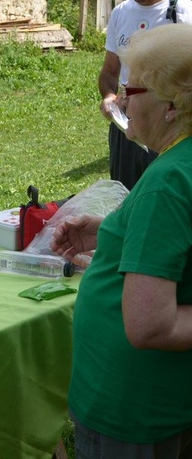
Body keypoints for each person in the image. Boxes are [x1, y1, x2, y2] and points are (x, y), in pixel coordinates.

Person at [52, 24, 192, 458]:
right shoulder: (182, 163)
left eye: (132, 89)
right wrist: (116, 231)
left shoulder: (168, 179)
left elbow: (151, 324)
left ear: (171, 106)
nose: (123, 101)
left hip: (133, 407)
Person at [99, 0, 192, 190]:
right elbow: (110, 71)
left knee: (164, 190)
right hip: (127, 124)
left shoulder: (185, 12)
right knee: (124, 192)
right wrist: (109, 97)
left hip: (169, 126)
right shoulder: (120, 13)